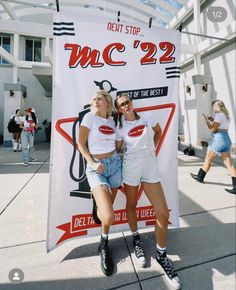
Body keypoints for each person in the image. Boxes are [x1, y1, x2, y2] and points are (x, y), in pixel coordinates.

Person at [114, 94, 181, 290]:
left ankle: (161, 255)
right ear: (118, 109)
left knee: (162, 211)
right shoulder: (120, 128)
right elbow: (118, 150)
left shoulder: (146, 118)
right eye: (122, 105)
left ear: (131, 103)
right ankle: (136, 240)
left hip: (150, 166)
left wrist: (152, 149)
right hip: (130, 168)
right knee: (131, 204)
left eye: (127, 102)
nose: (126, 106)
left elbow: (158, 132)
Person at [78, 90, 122, 276]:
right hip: (97, 167)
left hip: (114, 166)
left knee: (105, 216)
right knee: (109, 214)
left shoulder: (113, 121)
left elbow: (117, 144)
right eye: (93, 99)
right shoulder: (89, 118)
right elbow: (81, 143)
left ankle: (103, 243)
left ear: (107, 102)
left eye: (99, 99)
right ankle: (97, 201)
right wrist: (93, 163)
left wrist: (119, 152)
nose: (95, 101)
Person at [191, 100, 236, 194]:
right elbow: (220, 125)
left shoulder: (219, 115)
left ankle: (200, 177)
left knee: (208, 159)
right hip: (226, 139)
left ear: (217, 107)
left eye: (213, 107)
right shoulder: (227, 116)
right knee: (229, 164)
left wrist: (207, 121)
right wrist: (211, 119)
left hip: (218, 140)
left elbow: (213, 129)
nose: (212, 108)